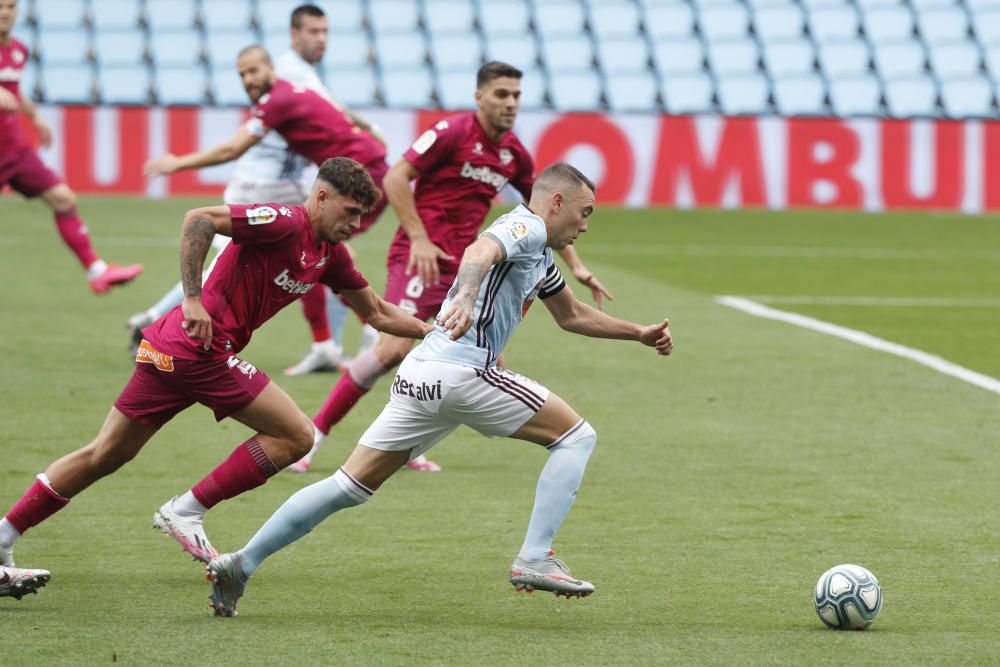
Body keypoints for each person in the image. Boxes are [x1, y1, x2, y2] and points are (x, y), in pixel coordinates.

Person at [204, 162, 673, 616]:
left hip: (422, 375)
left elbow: (571, 315)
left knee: (346, 486)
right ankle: (534, 556)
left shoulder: (540, 255)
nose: (585, 226)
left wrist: (638, 333)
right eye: (584, 212)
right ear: (556, 201)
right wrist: (466, 296)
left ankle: (240, 563)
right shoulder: (525, 227)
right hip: (461, 371)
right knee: (576, 437)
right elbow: (478, 252)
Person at [0, 158, 434, 597]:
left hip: (172, 350)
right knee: (296, 436)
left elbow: (376, 312)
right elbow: (200, 218)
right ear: (322, 197)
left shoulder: (330, 255)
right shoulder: (285, 222)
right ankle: (186, 510)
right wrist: (192, 298)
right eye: (350, 211)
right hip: (199, 351)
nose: (356, 223)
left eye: (361, 214)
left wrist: (429, 330)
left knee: (104, 455)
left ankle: (2, 538)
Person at [291, 62, 613, 475]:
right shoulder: (451, 134)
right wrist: (420, 238)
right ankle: (315, 434)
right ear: (480, 97)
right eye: (501, 94)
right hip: (419, 258)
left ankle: (408, 440)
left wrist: (577, 266)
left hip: (470, 270)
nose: (510, 103)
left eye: (516, 95)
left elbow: (550, 211)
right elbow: (395, 178)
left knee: (479, 362)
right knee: (391, 348)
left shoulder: (513, 153)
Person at [141, 39, 387, 369]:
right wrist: (370, 129)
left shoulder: (277, 100)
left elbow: (232, 150)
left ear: (272, 68)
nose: (249, 81)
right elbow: (334, 110)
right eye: (242, 75)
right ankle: (329, 343)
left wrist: (178, 164)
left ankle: (369, 333)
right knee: (312, 251)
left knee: (323, 252)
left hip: (357, 177)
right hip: (360, 167)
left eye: (254, 71)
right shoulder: (291, 93)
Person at [0, 0, 142, 294]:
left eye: (11, 7)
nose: (5, 13)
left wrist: (35, 115)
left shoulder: (18, 50)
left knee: (64, 199)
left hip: (15, 149)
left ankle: (96, 270)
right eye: (0, 7)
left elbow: (13, 90)